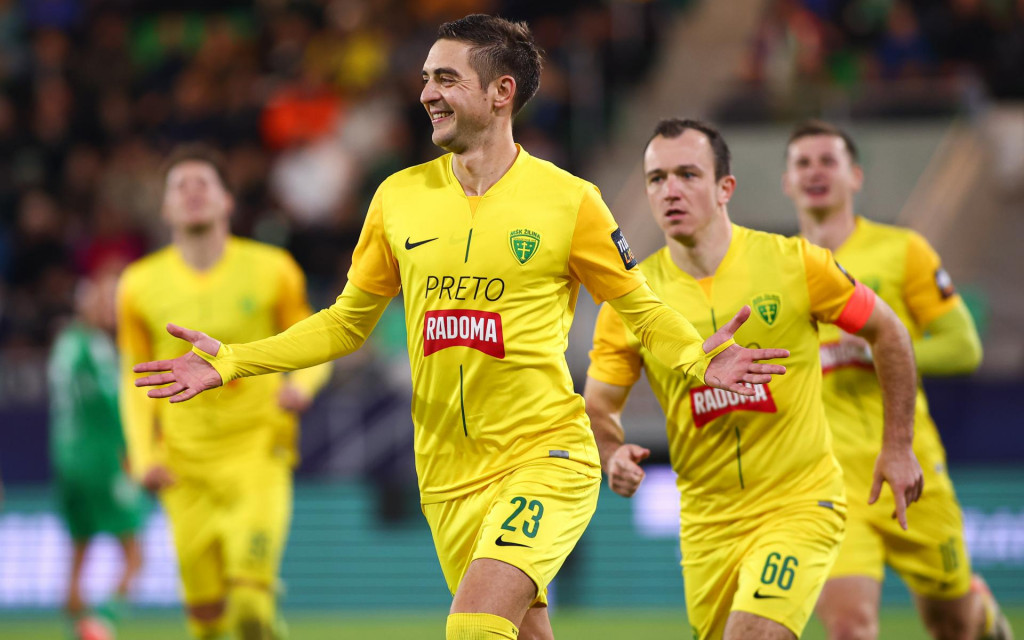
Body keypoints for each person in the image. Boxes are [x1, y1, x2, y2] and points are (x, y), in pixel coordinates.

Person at [130, 16, 790, 640]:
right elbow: (344, 324)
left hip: (544, 455)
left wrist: (702, 361)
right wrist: (234, 361)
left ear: (501, 93)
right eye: (425, 79)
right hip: (445, 473)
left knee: (472, 626)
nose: (426, 94)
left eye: (446, 79)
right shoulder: (397, 198)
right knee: (524, 628)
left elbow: (640, 308)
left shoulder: (570, 201)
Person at [584, 119, 923, 640]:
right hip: (706, 523)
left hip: (799, 501)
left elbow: (890, 331)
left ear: (726, 188)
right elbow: (601, 404)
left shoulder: (795, 264)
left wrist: (898, 446)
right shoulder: (632, 300)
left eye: (687, 174)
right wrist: (611, 453)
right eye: (656, 178)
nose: (670, 190)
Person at [782, 120, 1013, 640]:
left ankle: (977, 611)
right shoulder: (778, 267)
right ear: (786, 183)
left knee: (952, 624)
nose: (815, 171)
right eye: (802, 162)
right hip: (829, 478)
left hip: (910, 465)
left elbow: (963, 346)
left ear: (855, 176)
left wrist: (878, 350)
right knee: (849, 625)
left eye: (828, 160)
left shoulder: (901, 249)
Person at [117, 143, 332, 640]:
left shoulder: (272, 268)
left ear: (227, 201)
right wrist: (143, 451)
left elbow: (312, 341)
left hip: (257, 454)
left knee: (251, 610)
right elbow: (133, 379)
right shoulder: (137, 284)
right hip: (185, 467)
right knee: (208, 622)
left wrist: (301, 385)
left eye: (203, 184)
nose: (192, 194)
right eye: (180, 187)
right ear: (165, 207)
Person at [49, 270, 146, 640]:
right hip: (102, 460)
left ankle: (75, 627)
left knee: (78, 555)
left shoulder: (64, 344)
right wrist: (131, 453)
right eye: (103, 300)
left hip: (66, 459)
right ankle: (102, 622)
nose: (110, 309)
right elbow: (113, 403)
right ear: (85, 303)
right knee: (136, 556)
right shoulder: (97, 347)